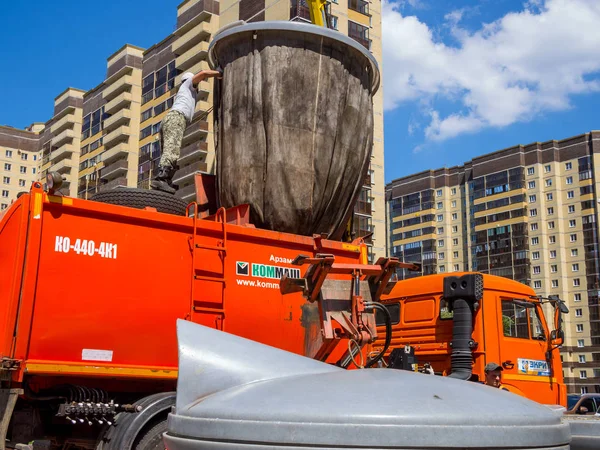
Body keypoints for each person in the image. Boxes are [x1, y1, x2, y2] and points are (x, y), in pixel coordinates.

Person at [151, 69, 222, 194]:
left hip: (170, 119)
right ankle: (161, 178)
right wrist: (219, 73)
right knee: (172, 149)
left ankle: (166, 180)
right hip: (176, 118)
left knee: (169, 149)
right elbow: (203, 73)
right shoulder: (188, 84)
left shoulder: (184, 92)